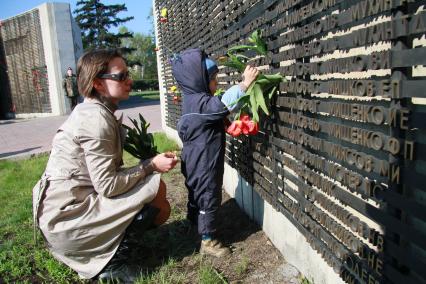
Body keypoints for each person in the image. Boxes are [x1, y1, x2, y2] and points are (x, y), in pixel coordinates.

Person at [32, 49, 178, 282]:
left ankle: (105, 248)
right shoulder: (96, 120)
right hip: (67, 224)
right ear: (98, 83)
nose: (130, 80)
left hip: (63, 219)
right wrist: (150, 166)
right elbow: (108, 186)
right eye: (121, 76)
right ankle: (111, 266)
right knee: (156, 191)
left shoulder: (92, 111)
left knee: (150, 191)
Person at [171, 48, 259, 257]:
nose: (216, 84)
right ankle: (208, 240)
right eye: (213, 79)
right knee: (209, 195)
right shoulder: (200, 103)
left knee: (196, 193)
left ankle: (193, 221)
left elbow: (212, 118)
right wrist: (245, 84)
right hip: (205, 162)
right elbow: (221, 106)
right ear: (199, 80)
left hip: (194, 159)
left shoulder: (192, 99)